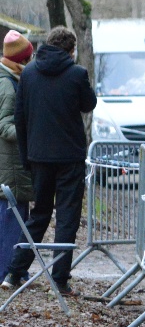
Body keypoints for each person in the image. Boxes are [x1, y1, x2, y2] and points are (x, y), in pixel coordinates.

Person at [5, 26, 97, 294]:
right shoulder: (77, 73)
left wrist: (26, 156)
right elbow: (88, 104)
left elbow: (19, 119)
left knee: (39, 214)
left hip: (38, 157)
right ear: (71, 49)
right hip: (70, 158)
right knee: (67, 217)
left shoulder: (29, 73)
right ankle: (59, 278)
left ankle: (15, 271)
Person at [0, 30, 35, 290]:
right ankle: (7, 272)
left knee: (14, 215)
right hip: (10, 163)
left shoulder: (9, 78)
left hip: (9, 163)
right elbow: (4, 125)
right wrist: (29, 134)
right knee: (15, 217)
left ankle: (15, 272)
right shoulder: (8, 85)